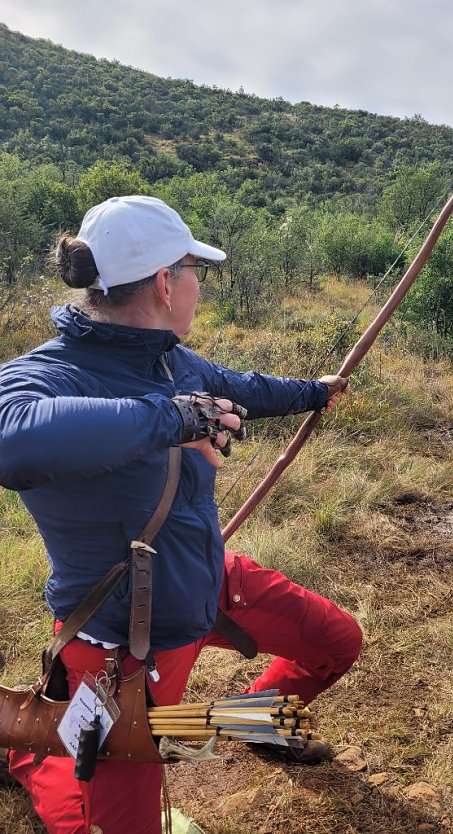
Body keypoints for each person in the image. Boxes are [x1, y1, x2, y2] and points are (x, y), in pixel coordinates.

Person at [0, 195, 362, 834]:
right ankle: (28, 751)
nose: (200, 285)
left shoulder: (172, 360)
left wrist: (314, 393)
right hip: (121, 640)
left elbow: (240, 387)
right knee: (108, 821)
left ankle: (258, 721)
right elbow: (12, 437)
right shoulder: (45, 377)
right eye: (195, 270)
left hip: (207, 581)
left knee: (334, 641)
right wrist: (174, 418)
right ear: (166, 282)